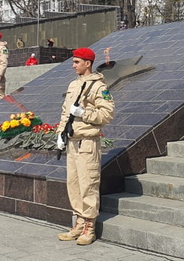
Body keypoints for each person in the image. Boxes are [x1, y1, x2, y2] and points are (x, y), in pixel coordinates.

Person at [56, 48, 115, 246]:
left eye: (77, 62)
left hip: (88, 143)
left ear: (87, 63)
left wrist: (84, 113)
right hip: (72, 142)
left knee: (88, 183)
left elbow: (107, 115)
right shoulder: (74, 85)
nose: (73, 66)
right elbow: (65, 112)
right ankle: (79, 222)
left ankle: (90, 226)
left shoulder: (98, 87)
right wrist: (60, 134)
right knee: (73, 184)